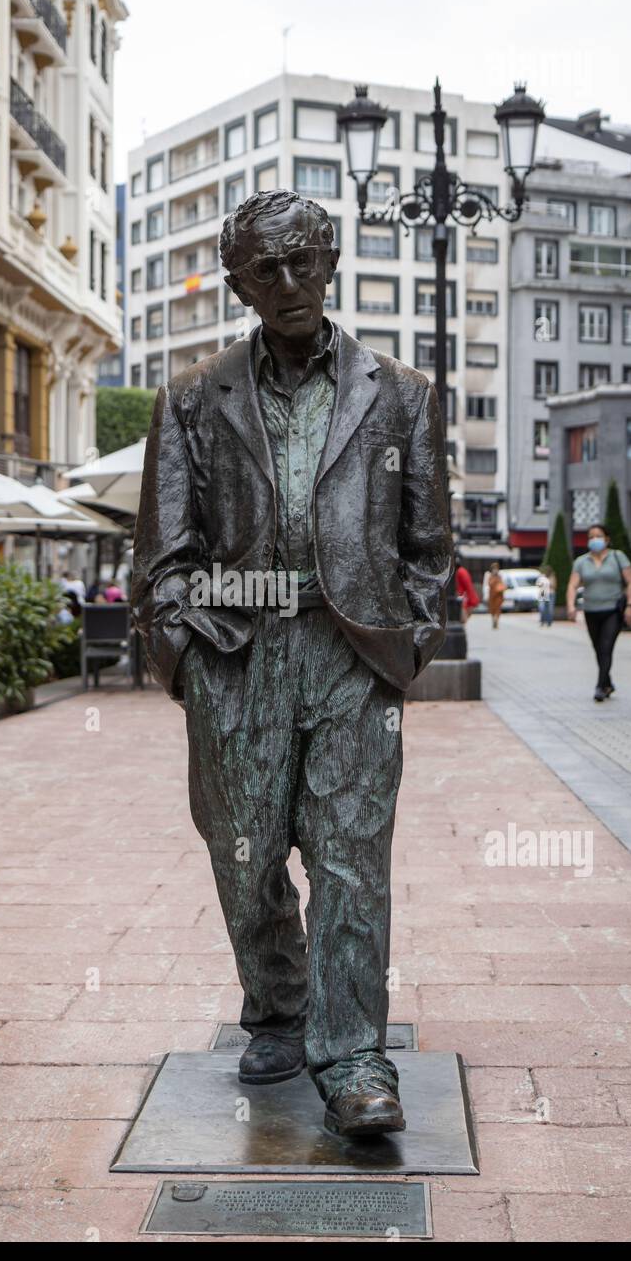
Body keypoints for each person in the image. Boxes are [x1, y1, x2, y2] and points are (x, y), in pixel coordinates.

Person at [133, 189, 452, 1139]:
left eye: (303, 260)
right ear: (239, 283)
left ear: (332, 262)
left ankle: (354, 1055)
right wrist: (188, 655)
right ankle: (277, 1005)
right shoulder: (193, 397)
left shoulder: (401, 394)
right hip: (238, 654)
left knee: (352, 860)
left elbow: (428, 546)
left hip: (351, 654)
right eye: (266, 268)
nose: (289, 282)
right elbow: (161, 554)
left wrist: (407, 646)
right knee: (245, 854)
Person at [566, 523, 631, 701]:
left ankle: (599, 686)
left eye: (598, 536)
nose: (594, 540)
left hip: (612, 610)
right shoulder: (581, 561)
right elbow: (572, 585)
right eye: (590, 537)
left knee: (606, 647)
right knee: (598, 649)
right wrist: (570, 606)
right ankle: (608, 683)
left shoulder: (617, 557)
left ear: (607, 539)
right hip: (591, 611)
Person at [454, 554, 478, 623]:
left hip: (463, 599)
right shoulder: (461, 571)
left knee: (462, 620)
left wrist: (472, 600)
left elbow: (468, 586)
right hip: (464, 599)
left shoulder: (460, 572)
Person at [486, 562, 507, 629]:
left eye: (496, 568)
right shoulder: (490, 576)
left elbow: (502, 585)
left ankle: (496, 621)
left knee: (498, 609)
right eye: (494, 569)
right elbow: (489, 584)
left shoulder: (499, 576)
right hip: (492, 595)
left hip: (499, 595)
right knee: (492, 609)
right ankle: (493, 620)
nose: (495, 570)